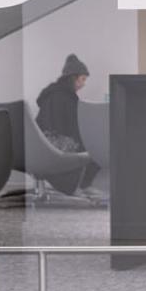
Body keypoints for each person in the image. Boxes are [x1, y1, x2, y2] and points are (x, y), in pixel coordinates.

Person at [35, 54, 102, 194]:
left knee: (90, 143)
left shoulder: (51, 94)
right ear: (73, 78)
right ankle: (80, 186)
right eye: (82, 79)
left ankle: (79, 185)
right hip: (58, 145)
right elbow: (72, 129)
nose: (84, 84)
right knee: (98, 147)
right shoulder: (66, 97)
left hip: (41, 146)